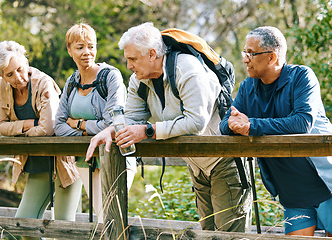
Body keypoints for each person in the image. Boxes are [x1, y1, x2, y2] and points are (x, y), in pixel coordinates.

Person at [86, 22, 251, 232]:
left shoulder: (188, 69)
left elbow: (196, 122)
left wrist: (148, 130)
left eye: (133, 59)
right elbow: (132, 117)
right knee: (209, 233)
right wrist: (109, 130)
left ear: (152, 54)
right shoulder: (139, 80)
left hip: (224, 160)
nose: (129, 66)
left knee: (230, 235)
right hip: (198, 166)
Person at [219, 26, 332, 237]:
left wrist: (251, 125)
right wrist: (236, 125)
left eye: (251, 53)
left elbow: (302, 122)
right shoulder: (247, 87)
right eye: (245, 52)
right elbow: (226, 124)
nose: (245, 59)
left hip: (327, 185)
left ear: (271, 57)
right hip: (293, 194)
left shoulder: (302, 77)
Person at [0, 40, 82, 240]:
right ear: (1, 75)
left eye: (20, 70)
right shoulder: (3, 86)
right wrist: (29, 124)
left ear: (26, 62)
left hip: (62, 163)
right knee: (23, 225)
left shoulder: (43, 83)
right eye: (9, 74)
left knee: (64, 231)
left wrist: (18, 130)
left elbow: (48, 129)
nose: (18, 78)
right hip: (36, 163)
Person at [53, 23, 136, 223]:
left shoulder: (111, 77)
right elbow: (59, 126)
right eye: (80, 47)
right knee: (103, 218)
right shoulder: (72, 82)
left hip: (114, 156)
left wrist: (79, 124)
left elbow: (113, 123)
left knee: (111, 218)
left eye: (91, 46)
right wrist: (89, 132)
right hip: (86, 159)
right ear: (69, 50)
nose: (86, 52)